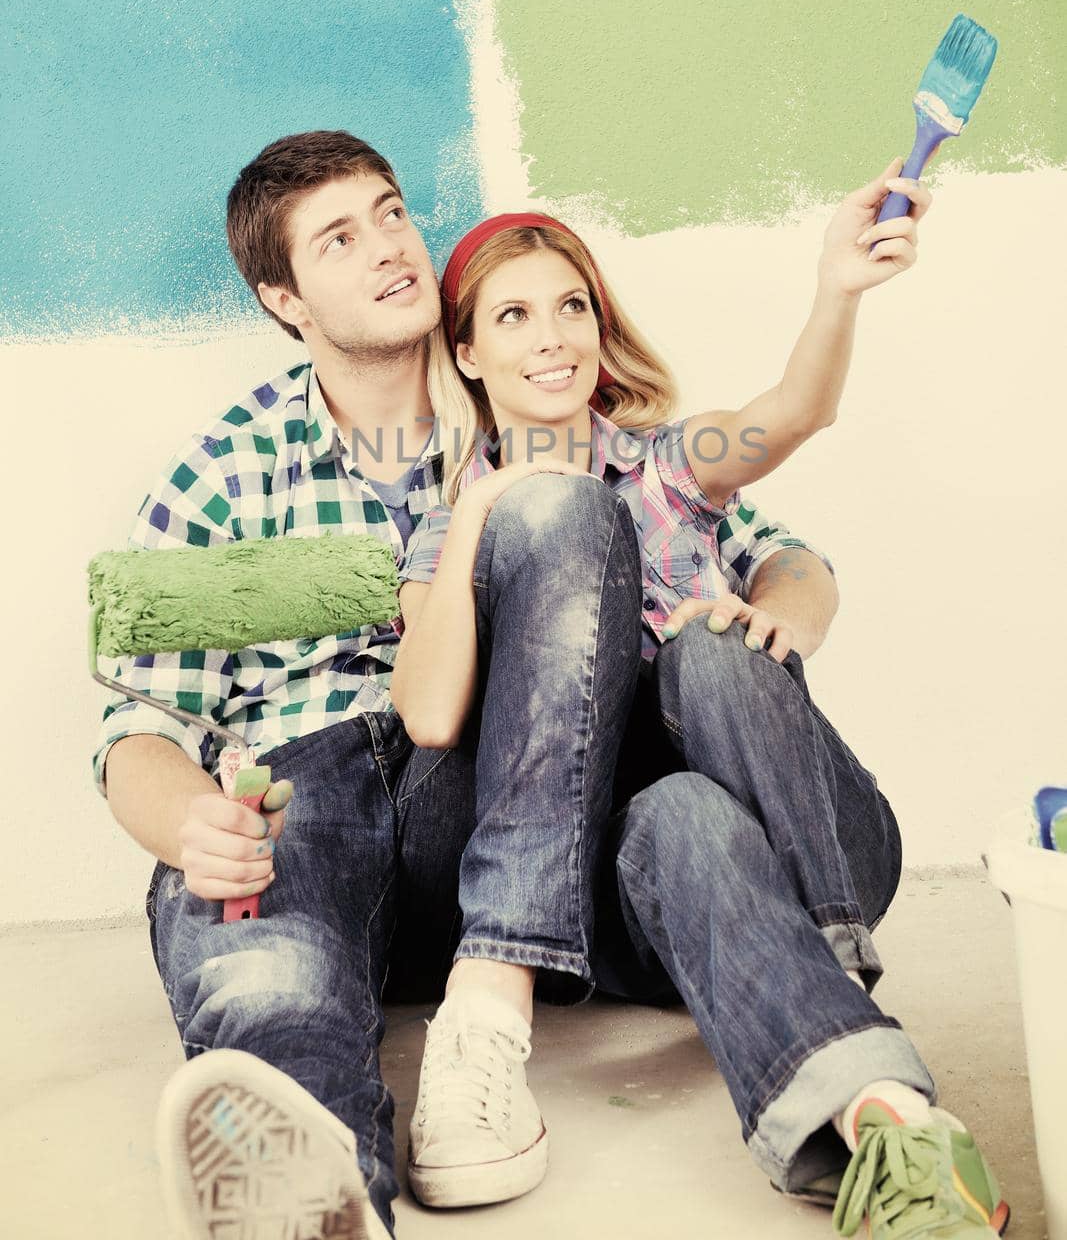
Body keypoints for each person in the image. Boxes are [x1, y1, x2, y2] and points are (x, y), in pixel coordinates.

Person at [94, 129, 809, 1238]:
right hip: (307, 794)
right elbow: (135, 727)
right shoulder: (228, 468)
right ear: (284, 300)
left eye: (390, 211)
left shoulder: (534, 380)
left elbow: (758, 541)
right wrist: (190, 824)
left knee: (560, 507)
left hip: (503, 791)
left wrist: (769, 628)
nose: (389, 248)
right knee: (264, 969)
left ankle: (491, 1003)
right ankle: (313, 1190)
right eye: (340, 238)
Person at [391, 178, 1010, 1239]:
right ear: (464, 353)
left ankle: (828, 950)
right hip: (646, 885)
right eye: (512, 314)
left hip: (810, 841)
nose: (552, 338)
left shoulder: (673, 467)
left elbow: (792, 416)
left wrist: (835, 291)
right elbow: (431, 718)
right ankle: (887, 1128)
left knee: (709, 654)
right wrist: (476, 515)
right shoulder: (446, 512)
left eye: (571, 305)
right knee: (672, 811)